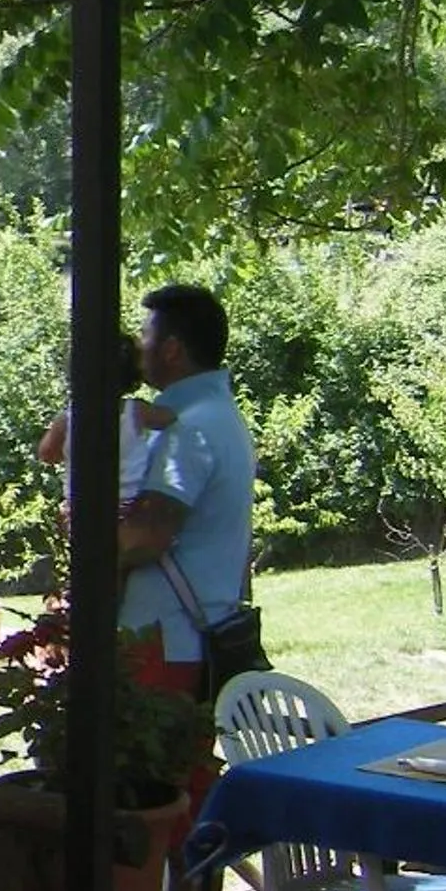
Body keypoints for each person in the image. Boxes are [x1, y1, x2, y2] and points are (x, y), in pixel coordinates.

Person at [117, 283, 258, 699]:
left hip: (165, 643)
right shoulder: (218, 415)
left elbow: (143, 538)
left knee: (156, 744)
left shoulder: (189, 428)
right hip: (190, 636)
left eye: (145, 335)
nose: (138, 346)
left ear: (172, 350)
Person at [34, 331, 173, 511]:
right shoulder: (137, 411)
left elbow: (46, 454)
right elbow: (172, 419)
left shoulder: (67, 421)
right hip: (129, 508)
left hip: (81, 510)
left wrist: (71, 451)